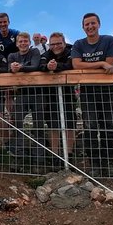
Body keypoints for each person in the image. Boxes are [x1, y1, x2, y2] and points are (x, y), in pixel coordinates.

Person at [71, 13, 113, 177]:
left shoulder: (109, 40)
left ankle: (110, 161)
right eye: (87, 24)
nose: (90, 27)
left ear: (99, 24)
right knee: (90, 127)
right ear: (83, 27)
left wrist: (95, 65)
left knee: (108, 126)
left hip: (107, 91)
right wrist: (100, 63)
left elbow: (111, 63)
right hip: (88, 92)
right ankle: (95, 163)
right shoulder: (79, 44)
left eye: (93, 23)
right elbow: (76, 65)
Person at [7, 32, 45, 167]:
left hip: (37, 93)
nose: (23, 43)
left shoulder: (35, 51)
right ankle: (19, 156)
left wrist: (20, 68)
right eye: (20, 41)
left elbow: (34, 66)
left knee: (39, 126)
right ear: (17, 44)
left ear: (29, 42)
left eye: (25, 41)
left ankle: (38, 159)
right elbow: (9, 69)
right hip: (21, 93)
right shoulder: (12, 55)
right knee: (17, 124)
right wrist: (13, 68)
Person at [38, 33, 76, 165]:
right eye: (53, 44)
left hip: (68, 93)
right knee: (53, 125)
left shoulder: (71, 51)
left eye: (58, 43)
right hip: (51, 95)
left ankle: (69, 155)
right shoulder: (46, 54)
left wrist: (56, 67)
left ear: (64, 43)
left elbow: (72, 65)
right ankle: (55, 155)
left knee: (70, 124)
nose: (56, 46)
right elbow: (41, 65)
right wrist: (48, 67)